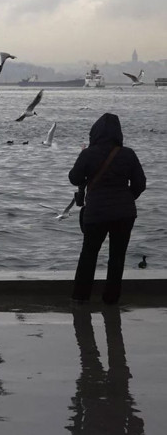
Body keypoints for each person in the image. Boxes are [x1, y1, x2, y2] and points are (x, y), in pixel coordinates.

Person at [69, 113, 146, 305]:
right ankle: (111, 299)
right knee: (117, 257)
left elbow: (74, 178)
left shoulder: (88, 153)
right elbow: (140, 183)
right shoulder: (128, 154)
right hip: (124, 214)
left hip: (96, 213)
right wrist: (127, 198)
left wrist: (83, 157)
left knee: (89, 254)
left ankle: (81, 297)